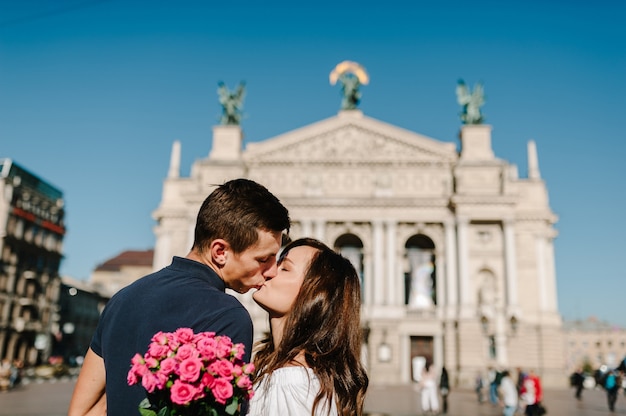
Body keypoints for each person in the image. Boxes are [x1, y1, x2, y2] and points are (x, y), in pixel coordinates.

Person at [68, 178, 291, 416]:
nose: (272, 271)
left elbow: (83, 411)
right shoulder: (228, 315)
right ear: (220, 251)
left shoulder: (122, 299)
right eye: (263, 259)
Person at [248, 237, 369, 416]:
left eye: (285, 268)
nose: (269, 270)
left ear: (314, 295)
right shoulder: (288, 376)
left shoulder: (294, 385)